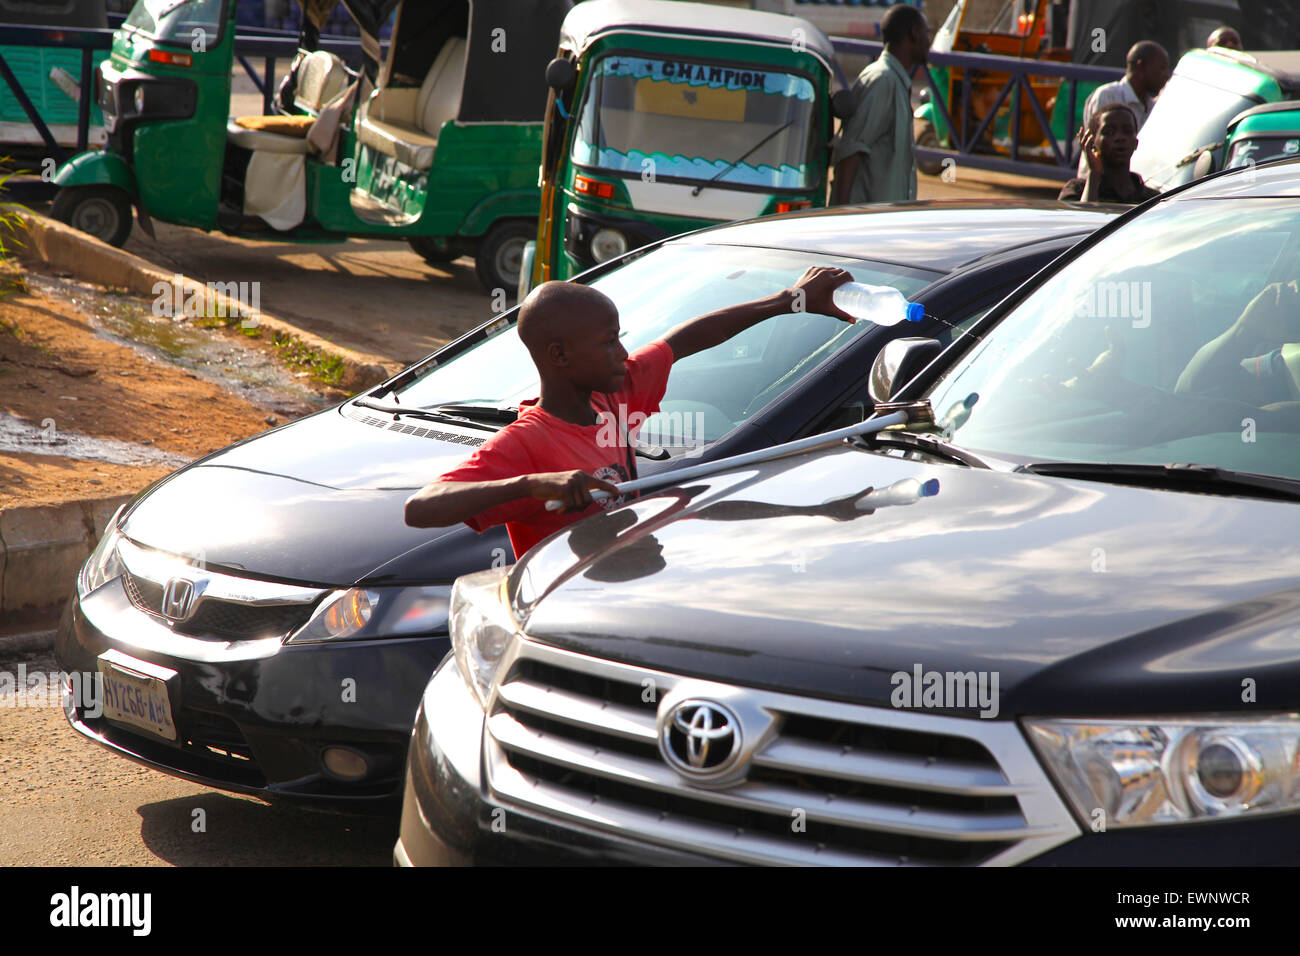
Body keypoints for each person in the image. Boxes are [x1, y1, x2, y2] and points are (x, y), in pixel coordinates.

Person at [403, 267, 856, 558]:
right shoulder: (525, 444)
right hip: (561, 618)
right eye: (608, 342)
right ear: (559, 356)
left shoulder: (614, 397)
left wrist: (789, 299)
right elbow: (419, 508)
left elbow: (686, 338)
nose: (623, 352)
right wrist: (535, 484)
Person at [831, 4, 931, 204]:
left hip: (882, 221)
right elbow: (851, 150)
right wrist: (838, 218)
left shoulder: (894, 80)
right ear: (913, 34)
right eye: (926, 34)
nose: (929, 42)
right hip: (864, 224)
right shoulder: (883, 81)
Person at [1076, 41, 1170, 176]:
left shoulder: (1153, 106)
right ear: (1141, 66)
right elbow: (1097, 147)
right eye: (1162, 68)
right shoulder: (1107, 95)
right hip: (1097, 187)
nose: (1166, 75)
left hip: (1129, 188)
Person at [1058, 103, 1160, 203]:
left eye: (1127, 131)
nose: (1120, 138)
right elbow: (1084, 218)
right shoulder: (1076, 190)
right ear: (1092, 143)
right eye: (1109, 132)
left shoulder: (1153, 199)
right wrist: (1094, 175)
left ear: (1136, 143)